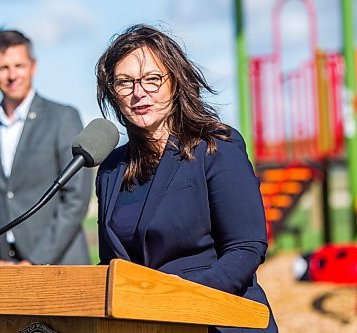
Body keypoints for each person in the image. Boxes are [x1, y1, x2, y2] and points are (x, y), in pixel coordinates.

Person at [95, 24, 278, 332]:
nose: (139, 93)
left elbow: (246, 248)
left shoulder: (216, 147)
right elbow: (111, 266)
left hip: (218, 320)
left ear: (175, 83)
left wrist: (182, 296)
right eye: (124, 83)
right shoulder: (111, 169)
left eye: (152, 80)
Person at [0, 29, 92, 266]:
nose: (12, 75)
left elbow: (75, 199)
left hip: (59, 267)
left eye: (19, 65)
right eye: (2, 67)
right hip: (0, 271)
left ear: (33, 66)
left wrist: (35, 261)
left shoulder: (64, 118)